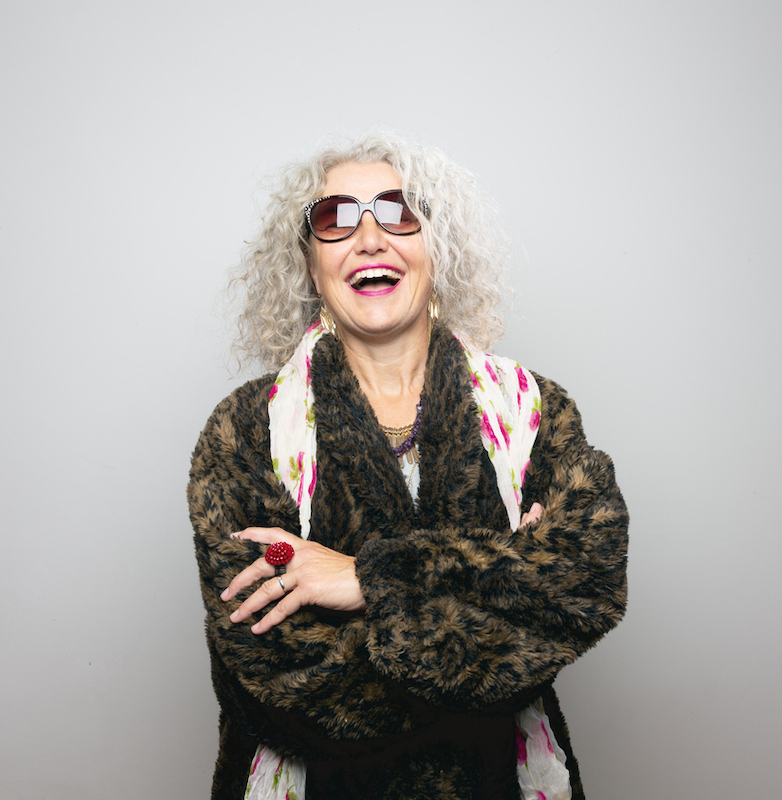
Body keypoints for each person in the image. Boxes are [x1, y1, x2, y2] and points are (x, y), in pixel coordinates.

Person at [188, 131, 628, 800]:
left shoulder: (531, 411)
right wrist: (500, 595)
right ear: (309, 264)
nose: (369, 238)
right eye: (335, 219)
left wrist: (368, 579)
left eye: (398, 211)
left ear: (437, 246)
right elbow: (282, 676)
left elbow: (584, 580)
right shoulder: (246, 430)